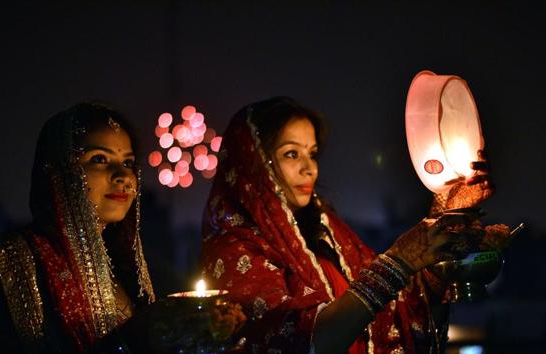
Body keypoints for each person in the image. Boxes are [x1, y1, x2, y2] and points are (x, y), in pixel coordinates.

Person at [201, 97, 494, 354]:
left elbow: (396, 312)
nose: (309, 167)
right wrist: (401, 260)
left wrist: (447, 212)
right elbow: (301, 342)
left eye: (312, 153)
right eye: (291, 153)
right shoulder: (234, 251)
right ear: (254, 162)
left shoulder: (328, 234)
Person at [0, 102, 157, 354]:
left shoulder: (126, 268)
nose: (123, 176)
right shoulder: (6, 267)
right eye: (99, 159)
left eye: (128, 163)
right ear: (58, 171)